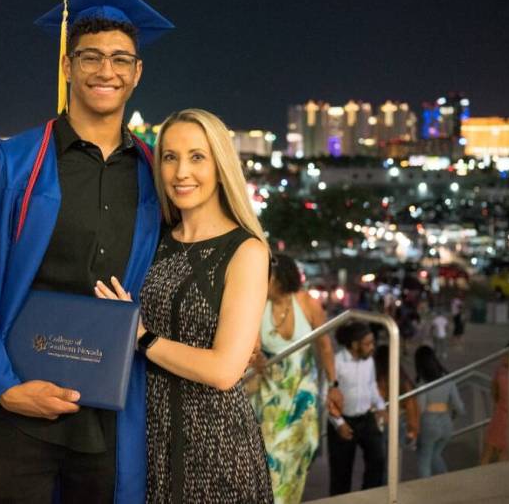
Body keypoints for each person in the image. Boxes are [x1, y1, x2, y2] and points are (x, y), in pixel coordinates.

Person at [0, 0, 172, 504]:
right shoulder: (9, 167)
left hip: (111, 412)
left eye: (121, 58)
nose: (107, 70)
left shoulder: (157, 176)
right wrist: (5, 389)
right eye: (91, 56)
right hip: (18, 411)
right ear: (67, 65)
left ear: (137, 72)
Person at [95, 108, 272, 502]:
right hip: (146, 441)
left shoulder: (245, 250)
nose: (180, 172)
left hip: (214, 448)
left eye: (197, 157)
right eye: (170, 157)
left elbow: (225, 370)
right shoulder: (152, 240)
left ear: (221, 164)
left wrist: (138, 336)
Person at [249, 253, 339, 504]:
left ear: (280, 279)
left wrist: (333, 385)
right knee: (271, 458)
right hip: (271, 397)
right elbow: (251, 346)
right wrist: (255, 358)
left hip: (303, 393)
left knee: (302, 452)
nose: (261, 281)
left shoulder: (307, 303)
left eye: (266, 277)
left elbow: (325, 347)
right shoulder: (258, 305)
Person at [327, 322, 386, 496]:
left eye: (373, 342)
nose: (372, 347)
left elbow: (372, 385)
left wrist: (381, 406)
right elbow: (326, 395)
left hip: (366, 419)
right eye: (368, 343)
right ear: (354, 344)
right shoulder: (336, 363)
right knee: (341, 474)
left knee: (378, 460)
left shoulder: (369, 361)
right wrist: (338, 423)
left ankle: (366, 497)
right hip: (343, 421)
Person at [413, 346, 464, 478]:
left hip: (429, 425)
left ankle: (426, 488)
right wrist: (452, 414)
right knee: (435, 455)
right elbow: (459, 407)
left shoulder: (423, 384)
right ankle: (445, 480)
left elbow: (421, 407)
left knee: (424, 458)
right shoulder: (448, 380)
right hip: (446, 424)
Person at [373, 344, 418, 481]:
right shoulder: (401, 378)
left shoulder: (377, 378)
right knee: (392, 461)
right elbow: (410, 404)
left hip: (379, 423)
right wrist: (413, 429)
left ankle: (382, 488)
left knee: (379, 461)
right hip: (397, 422)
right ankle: (390, 488)